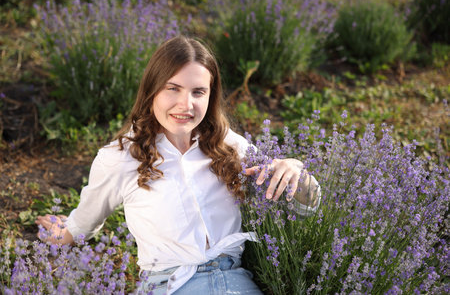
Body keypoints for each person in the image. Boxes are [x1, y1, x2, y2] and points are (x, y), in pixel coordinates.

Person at [35, 36, 321, 294]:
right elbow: (83, 223)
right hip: (169, 285)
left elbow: (308, 205)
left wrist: (295, 169)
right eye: (173, 88)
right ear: (152, 90)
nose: (186, 105)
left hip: (234, 282)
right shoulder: (119, 158)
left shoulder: (228, 144)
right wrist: (61, 232)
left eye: (198, 92)